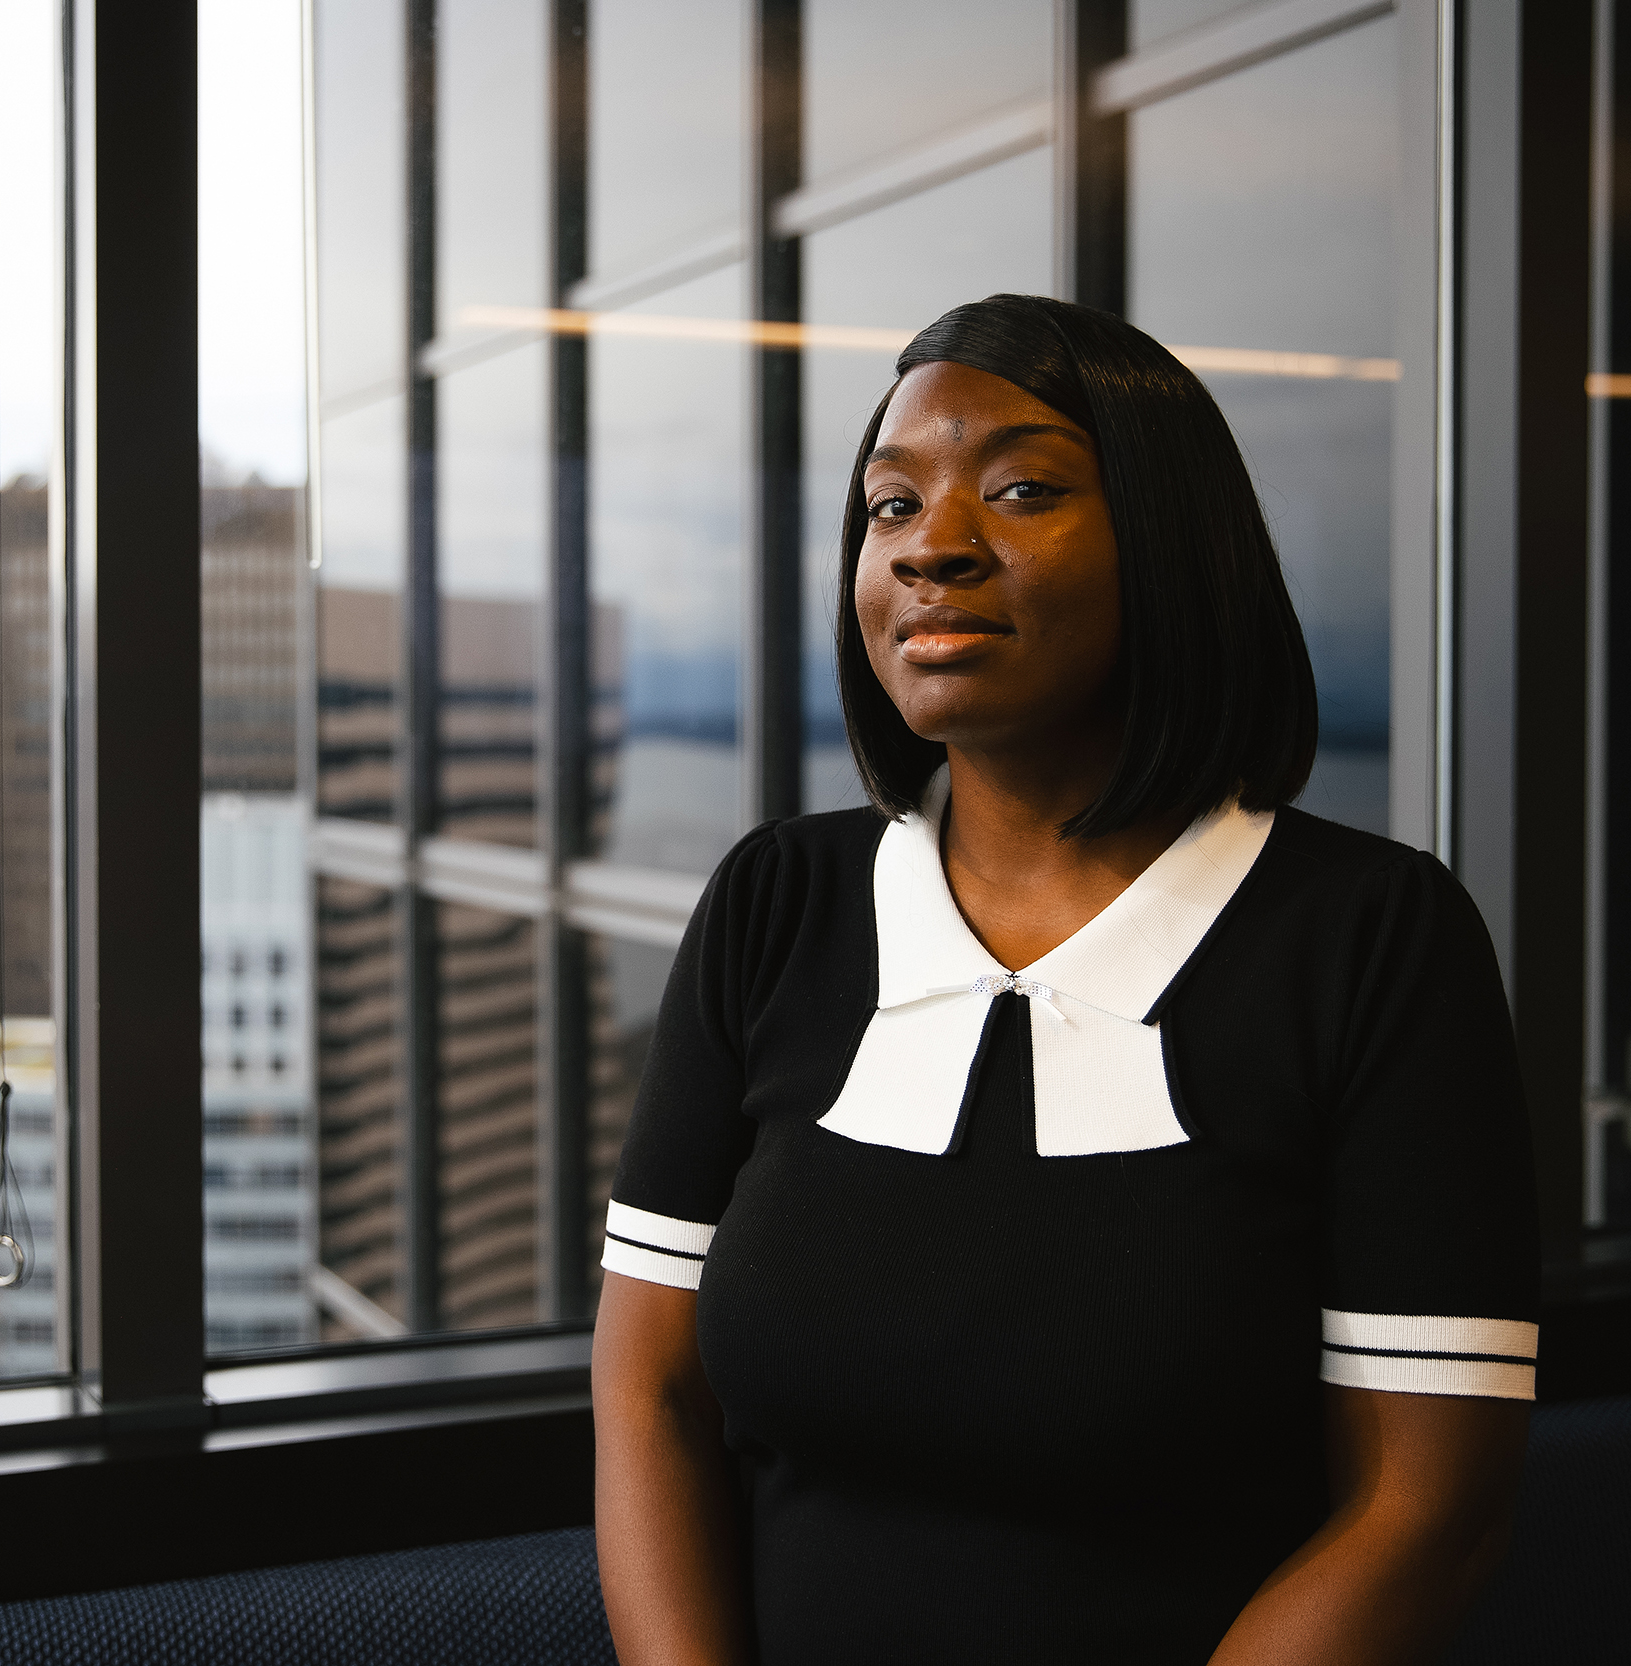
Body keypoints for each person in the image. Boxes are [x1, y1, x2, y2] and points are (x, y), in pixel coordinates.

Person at [590, 294, 1538, 1666]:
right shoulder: (775, 903)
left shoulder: (1375, 938)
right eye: (892, 505)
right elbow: (650, 1391)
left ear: (1170, 541)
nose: (933, 546)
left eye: (1023, 489)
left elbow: (1426, 1510)